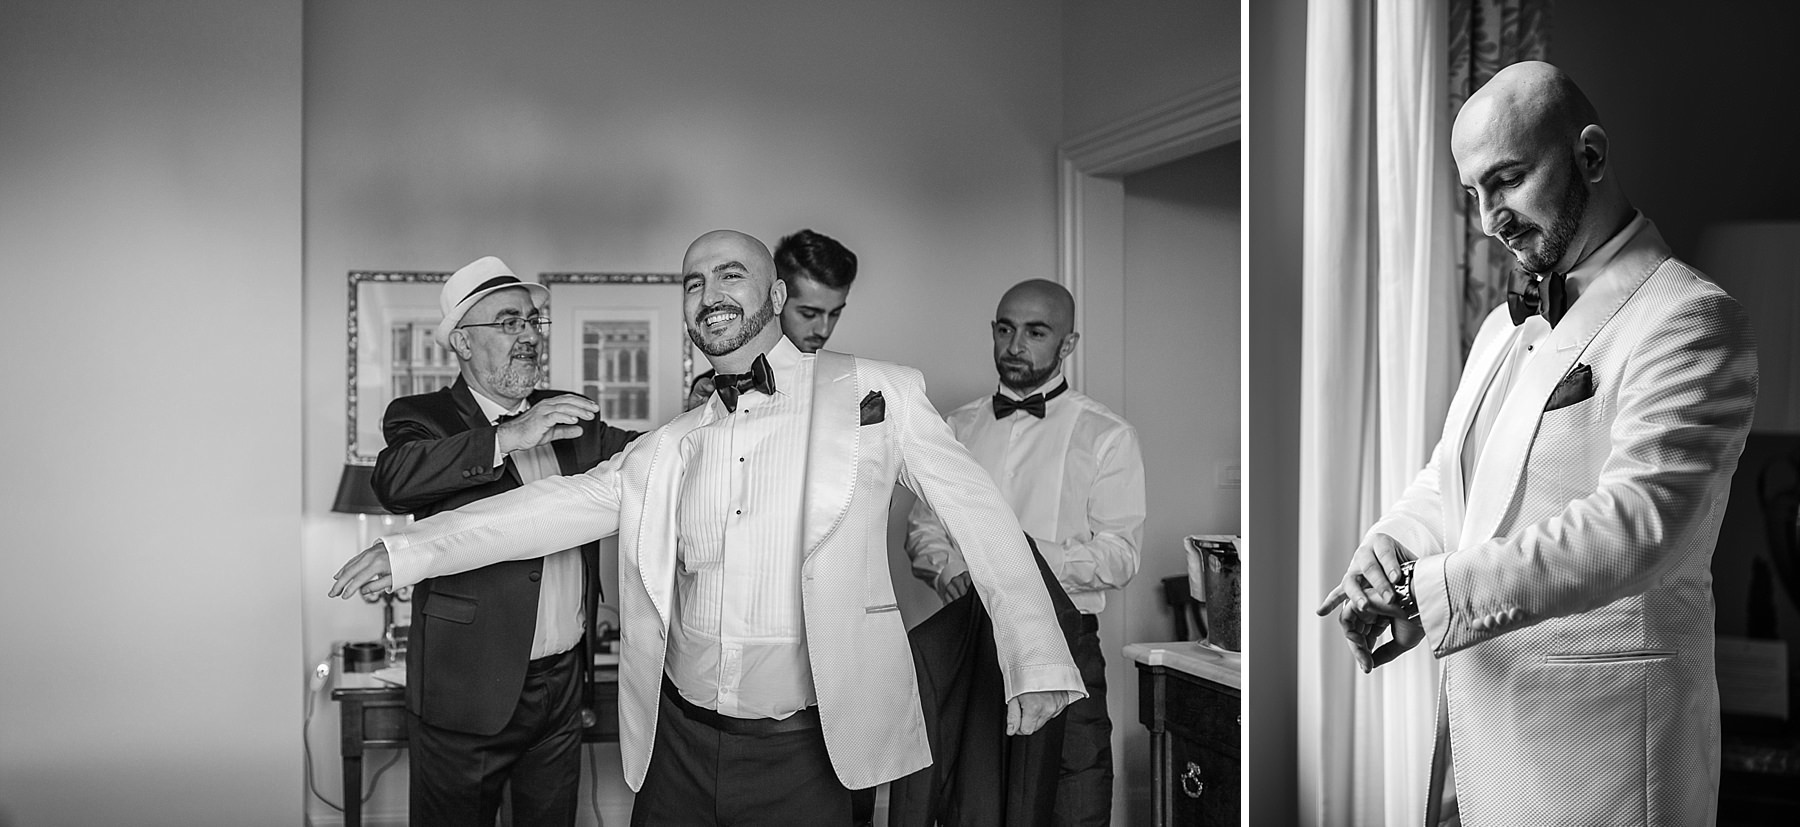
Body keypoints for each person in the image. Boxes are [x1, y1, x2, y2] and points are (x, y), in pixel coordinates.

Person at [332, 231, 1083, 825]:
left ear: (776, 295)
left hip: (809, 750)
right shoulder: (670, 444)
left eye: (730, 275)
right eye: (693, 282)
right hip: (679, 749)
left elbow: (977, 511)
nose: (708, 292)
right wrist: (407, 552)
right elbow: (548, 509)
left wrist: (1037, 656)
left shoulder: (878, 391)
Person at [1316, 61, 1757, 827]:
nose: (1491, 219)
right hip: (1475, 747)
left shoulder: (1689, 317)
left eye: (1508, 180)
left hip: (1605, 762)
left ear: (1590, 155)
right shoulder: (1501, 326)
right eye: (1473, 193)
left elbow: (1638, 526)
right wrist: (1389, 548)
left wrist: (1428, 589)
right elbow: (1454, 477)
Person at [369, 256, 639, 826]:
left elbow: (647, 455)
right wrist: (509, 437)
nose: (529, 335)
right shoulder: (422, 416)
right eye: (509, 322)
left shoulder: (569, 412)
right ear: (463, 342)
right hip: (465, 694)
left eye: (533, 321)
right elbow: (395, 481)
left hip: (562, 688)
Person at [906, 279, 1144, 827]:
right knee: (968, 804)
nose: (1015, 345)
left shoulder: (1107, 435)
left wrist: (1017, 559)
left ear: (1067, 344)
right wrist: (951, 571)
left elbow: (1120, 556)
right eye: (1006, 329)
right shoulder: (954, 427)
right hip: (969, 638)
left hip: (1065, 641)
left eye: (1036, 332)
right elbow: (923, 529)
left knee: (1074, 798)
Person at [685, 228, 857, 410]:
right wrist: (697, 419)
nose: (824, 330)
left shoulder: (850, 383)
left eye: (834, 313)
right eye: (808, 314)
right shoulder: (711, 388)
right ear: (777, 297)